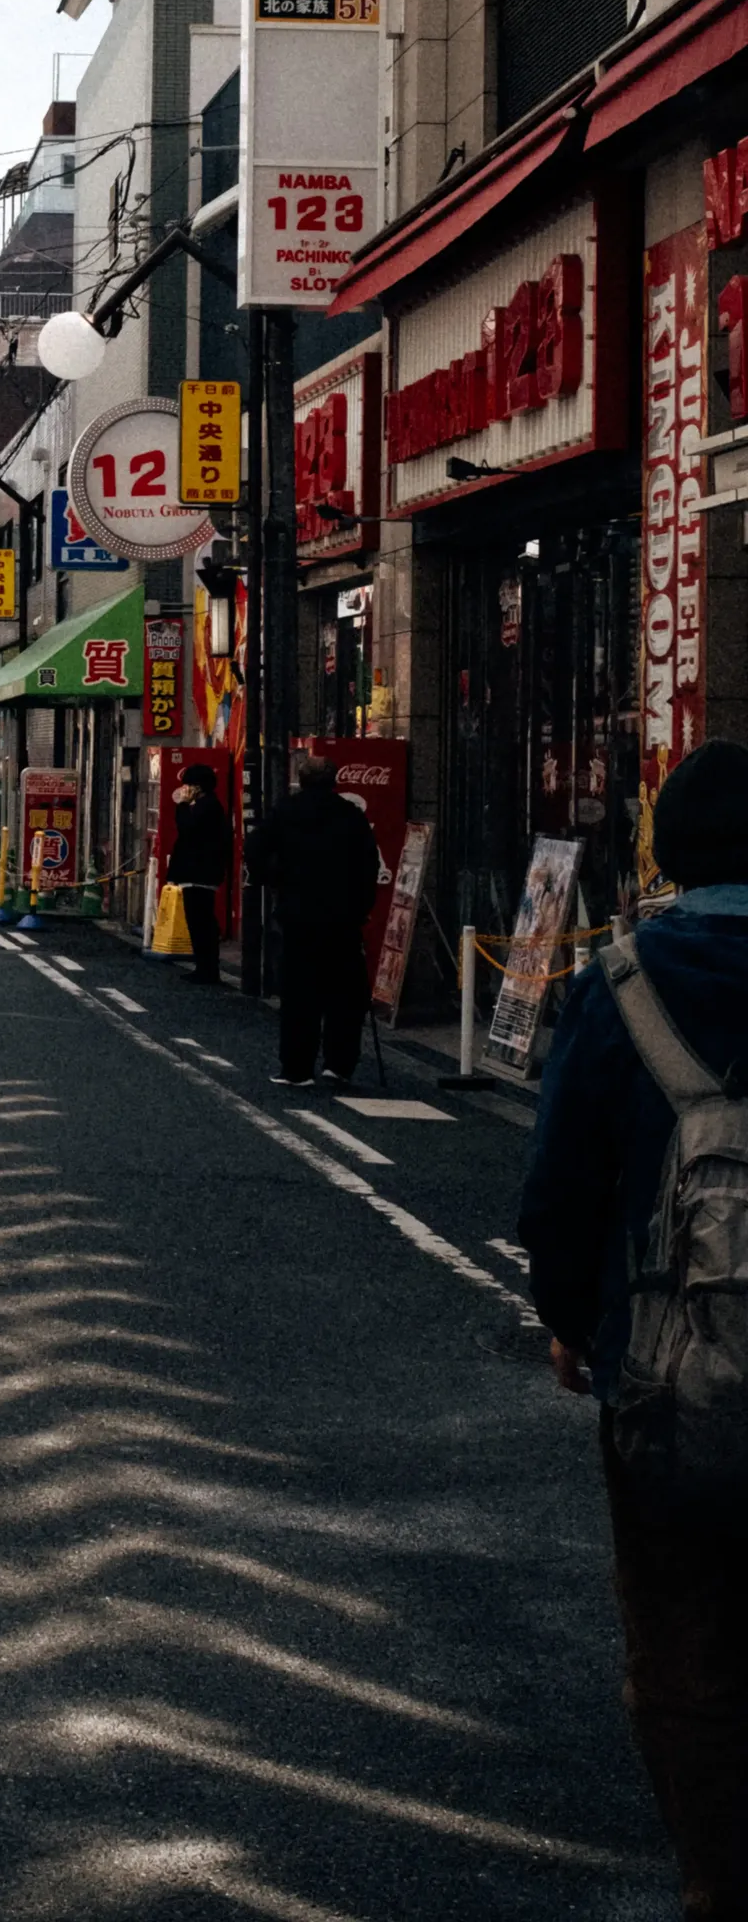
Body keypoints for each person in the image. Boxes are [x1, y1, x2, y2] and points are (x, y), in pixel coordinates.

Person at [519, 740, 748, 1918]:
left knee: (683, 1640)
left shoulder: (620, 982)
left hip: (667, 1369)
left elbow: (559, 1184)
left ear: (664, 850)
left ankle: (717, 1876)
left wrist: (574, 1326)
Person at [249, 753, 380, 1085]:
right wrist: (361, 906)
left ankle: (297, 1068)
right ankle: (339, 1064)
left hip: (298, 913)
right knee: (344, 994)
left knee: (298, 994)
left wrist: (274, 877)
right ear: (334, 781)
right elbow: (369, 865)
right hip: (342, 918)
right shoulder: (350, 814)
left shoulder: (285, 811)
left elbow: (255, 849)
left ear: (301, 779)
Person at [167, 763, 232, 985]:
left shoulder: (206, 807)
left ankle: (207, 970)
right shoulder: (208, 805)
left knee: (200, 922)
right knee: (200, 921)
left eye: (189, 785)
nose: (185, 789)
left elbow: (187, 829)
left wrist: (182, 806)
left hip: (199, 874)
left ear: (198, 787)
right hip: (200, 873)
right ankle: (204, 968)